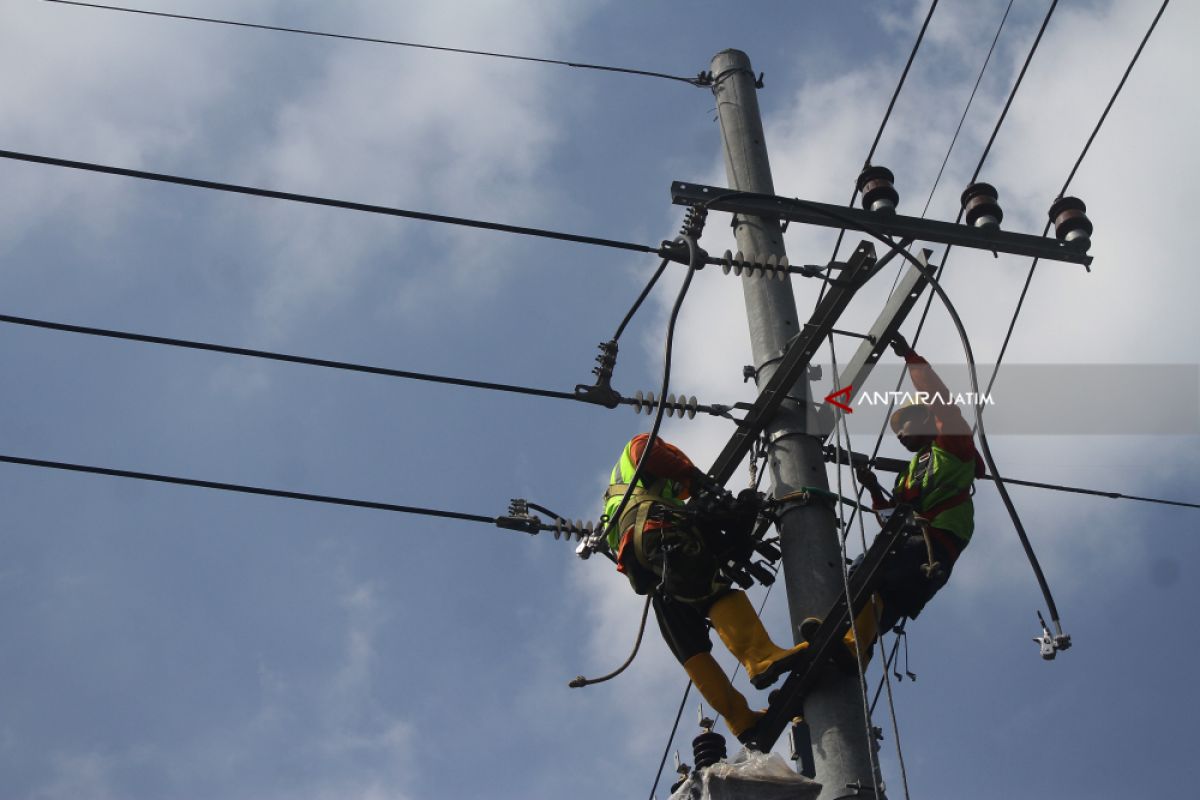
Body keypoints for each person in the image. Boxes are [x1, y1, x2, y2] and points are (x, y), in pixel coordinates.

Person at [602, 433, 807, 741]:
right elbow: (649, 453)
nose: (684, 492)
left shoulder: (630, 497)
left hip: (644, 563)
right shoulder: (643, 449)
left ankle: (740, 718)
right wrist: (697, 479)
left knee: (688, 641)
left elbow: (718, 544)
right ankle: (762, 658)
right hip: (656, 533)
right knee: (714, 591)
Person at [852, 333, 985, 653]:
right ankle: (850, 650)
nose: (899, 435)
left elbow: (940, 399)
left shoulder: (951, 447)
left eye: (905, 425)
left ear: (928, 419)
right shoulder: (907, 477)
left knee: (864, 577)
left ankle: (850, 643)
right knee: (872, 608)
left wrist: (911, 358)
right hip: (913, 556)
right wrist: (874, 492)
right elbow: (891, 521)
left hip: (929, 551)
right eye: (897, 432)